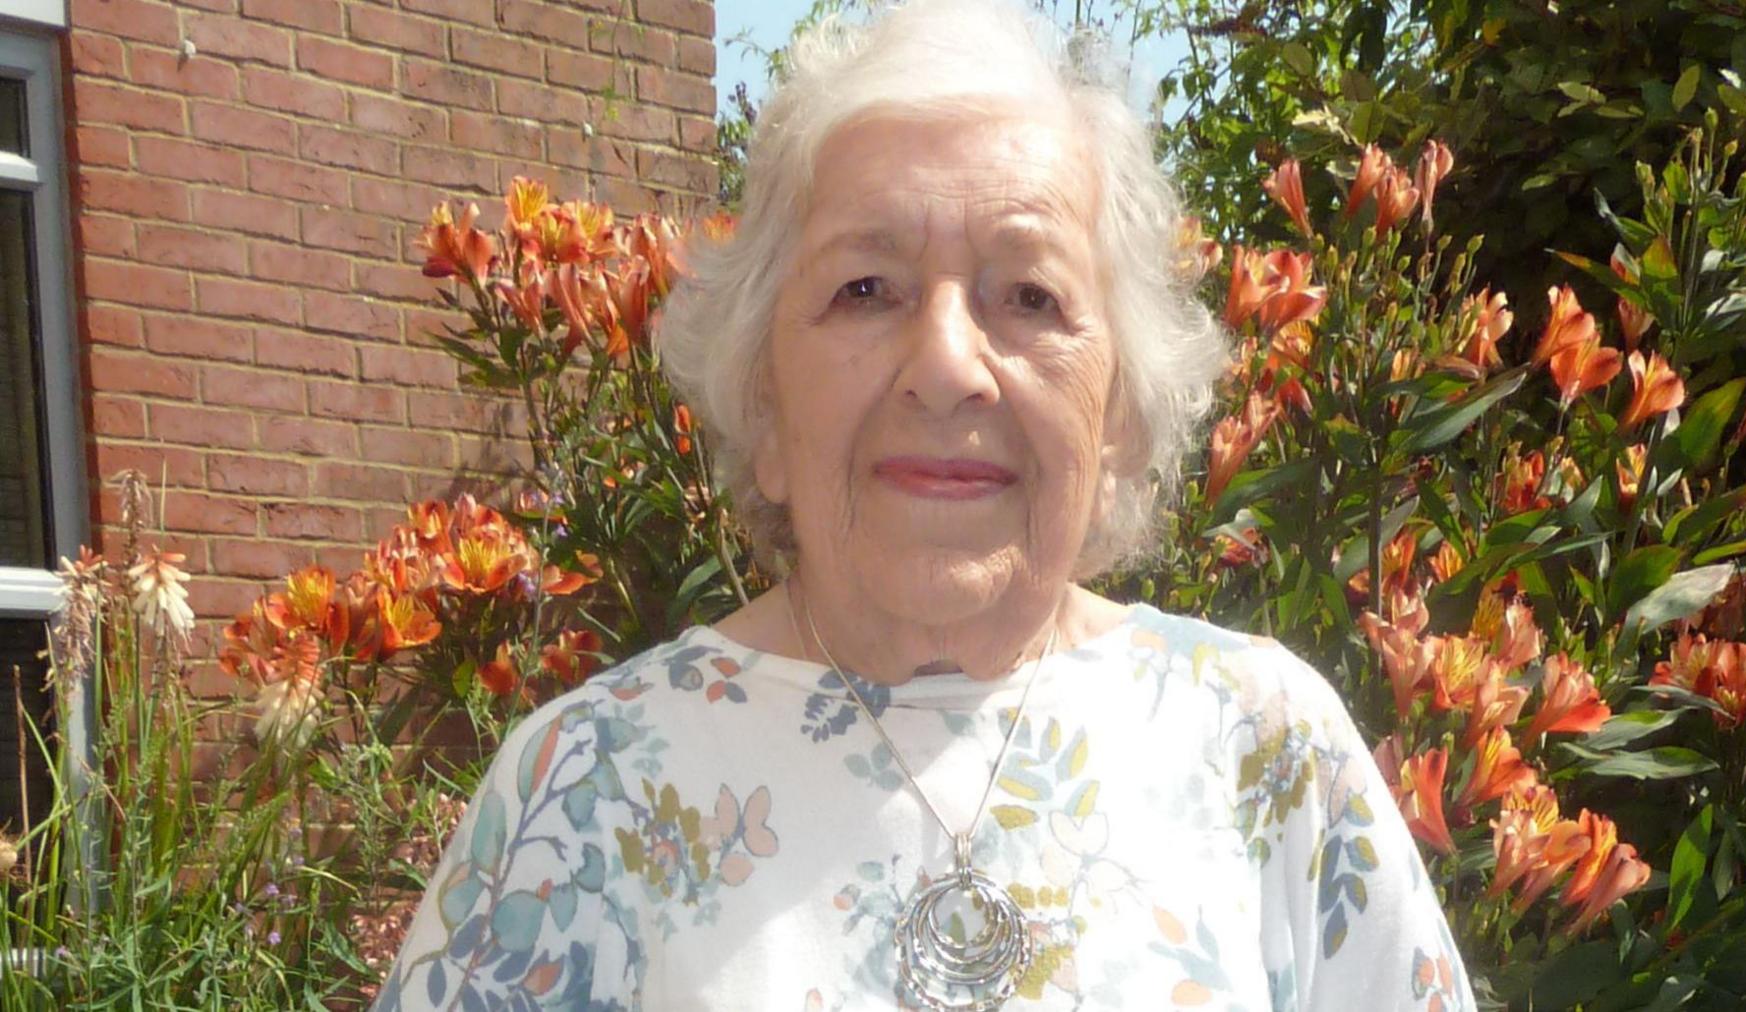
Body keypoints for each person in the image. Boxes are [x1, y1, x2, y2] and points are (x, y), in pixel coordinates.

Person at [376, 1, 1476, 1008]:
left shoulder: (1267, 754)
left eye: (1030, 295)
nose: (948, 364)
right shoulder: (581, 795)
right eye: (867, 288)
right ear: (762, 403)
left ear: (1118, 410)